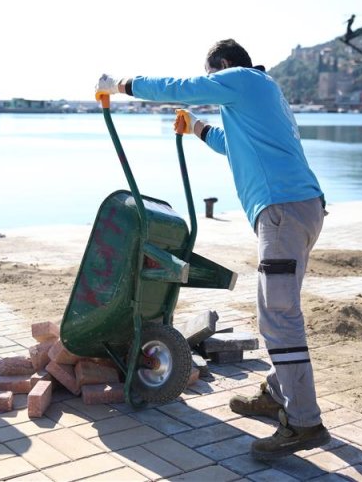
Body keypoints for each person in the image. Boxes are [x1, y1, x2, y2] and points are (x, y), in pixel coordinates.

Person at [95, 39, 330, 460]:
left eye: (213, 76)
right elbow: (231, 144)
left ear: (222, 67)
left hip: (282, 212)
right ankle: (279, 394)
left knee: (278, 316)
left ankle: (304, 421)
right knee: (279, 310)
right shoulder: (261, 93)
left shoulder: (241, 79)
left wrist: (122, 84)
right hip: (298, 209)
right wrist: (198, 129)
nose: (212, 83)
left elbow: (178, 86)